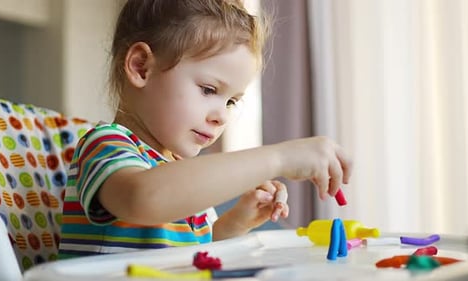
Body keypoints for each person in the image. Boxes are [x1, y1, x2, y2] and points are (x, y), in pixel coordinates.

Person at [58, 0, 352, 259]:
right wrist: (279, 159)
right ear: (141, 67)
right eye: (209, 89)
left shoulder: (179, 173)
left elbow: (191, 256)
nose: (221, 116)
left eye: (232, 101)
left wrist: (235, 223)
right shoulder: (107, 144)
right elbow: (144, 198)